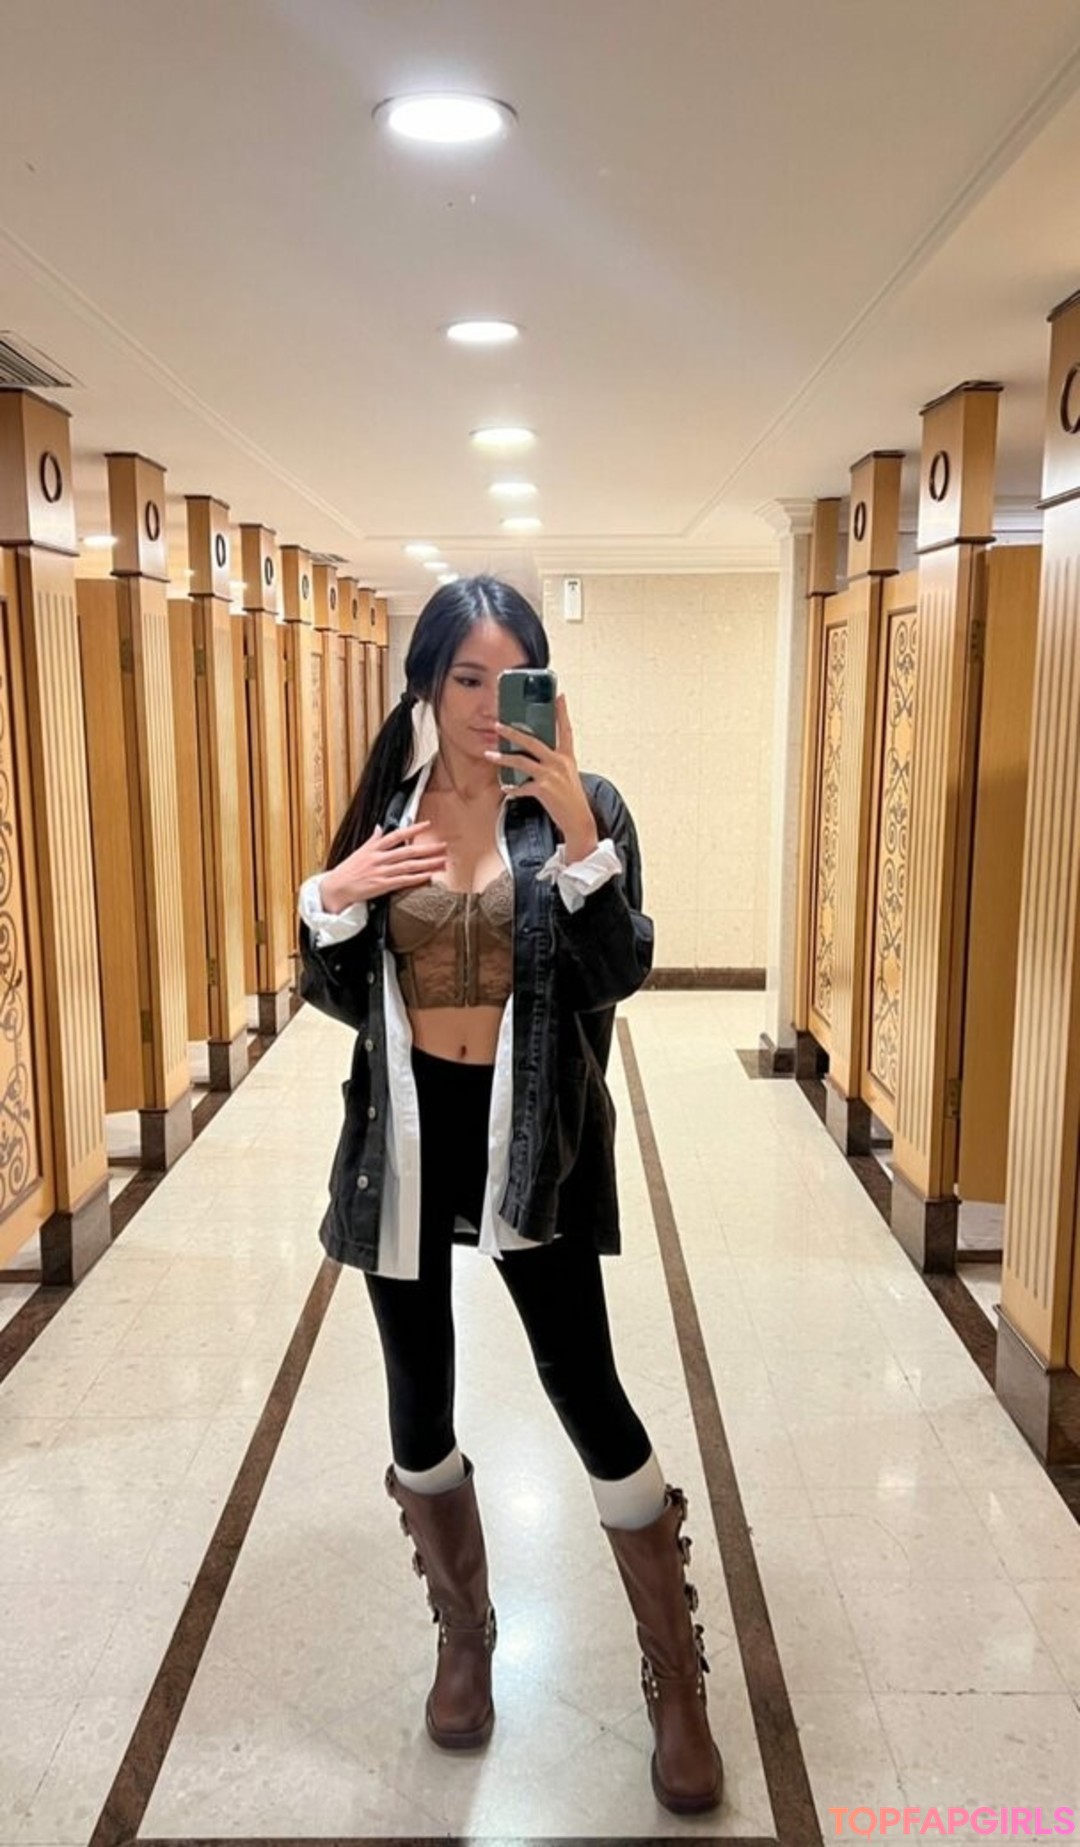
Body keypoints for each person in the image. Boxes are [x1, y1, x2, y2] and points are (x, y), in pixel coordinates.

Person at [297, 575, 723, 1815]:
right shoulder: (390, 809)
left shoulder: (582, 806)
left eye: (512, 678)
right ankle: (465, 1632)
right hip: (404, 1141)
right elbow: (338, 997)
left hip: (532, 1138)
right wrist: (336, 898)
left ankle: (675, 1672)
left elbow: (615, 973)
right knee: (416, 1401)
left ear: (545, 683)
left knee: (586, 1387)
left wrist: (583, 837)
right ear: (428, 685)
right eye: (466, 679)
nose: (489, 705)